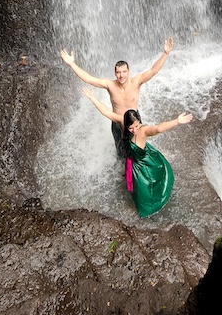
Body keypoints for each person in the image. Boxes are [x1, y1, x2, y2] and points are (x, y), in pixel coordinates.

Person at [81, 86, 193, 218]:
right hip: (132, 159)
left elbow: (158, 128)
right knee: (131, 184)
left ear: (139, 121)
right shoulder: (123, 122)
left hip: (142, 164)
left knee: (143, 193)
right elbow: (107, 112)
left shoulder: (143, 130)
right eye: (131, 128)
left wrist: (177, 121)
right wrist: (93, 98)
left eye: (136, 126)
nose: (134, 130)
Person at [60, 37, 174, 158]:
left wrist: (165, 53)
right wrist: (72, 64)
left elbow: (153, 70)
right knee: (120, 151)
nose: (121, 75)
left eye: (124, 72)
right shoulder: (110, 85)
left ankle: (142, 166)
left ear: (128, 71)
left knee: (138, 145)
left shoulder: (136, 82)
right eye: (118, 72)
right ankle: (123, 167)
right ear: (115, 73)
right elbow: (88, 78)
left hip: (134, 119)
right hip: (117, 122)